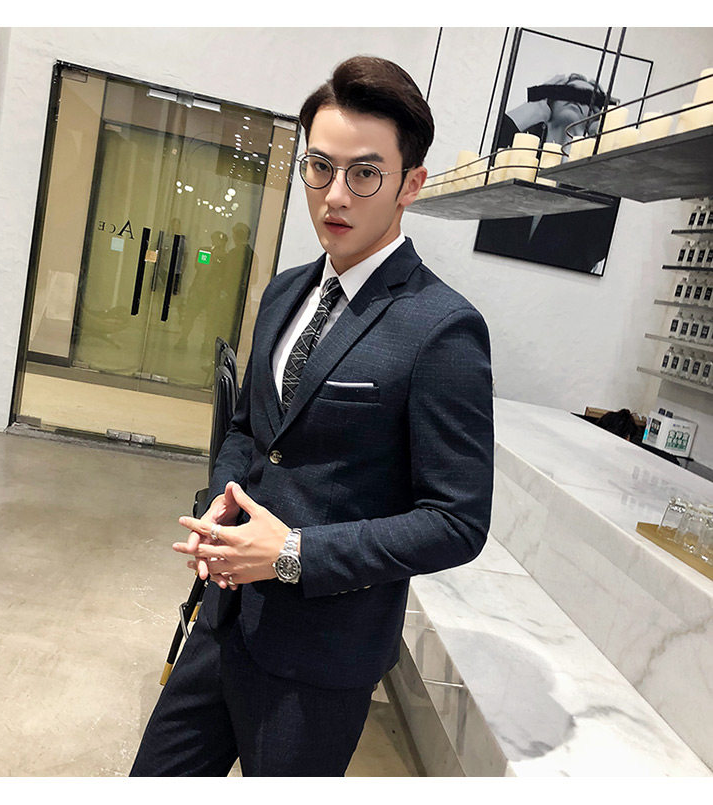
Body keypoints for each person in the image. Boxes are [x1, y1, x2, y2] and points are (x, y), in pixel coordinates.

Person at [130, 55, 494, 777]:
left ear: (411, 184)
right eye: (319, 167)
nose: (334, 194)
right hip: (222, 618)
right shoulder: (284, 291)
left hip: (320, 660)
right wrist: (221, 505)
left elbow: (457, 521)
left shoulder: (442, 328)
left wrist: (293, 552)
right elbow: (250, 431)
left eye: (365, 173)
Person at [476, 72, 620, 275]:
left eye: (588, 99)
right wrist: (531, 109)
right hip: (485, 270)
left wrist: (606, 138)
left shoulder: (598, 176)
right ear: (549, 100)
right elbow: (477, 159)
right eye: (568, 92)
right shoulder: (512, 150)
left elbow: (603, 238)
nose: (576, 100)